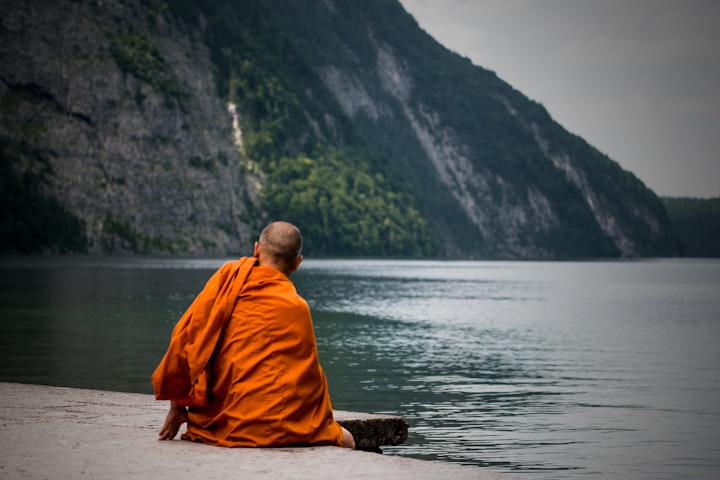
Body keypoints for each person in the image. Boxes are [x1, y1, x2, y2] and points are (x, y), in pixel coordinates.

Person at [151, 221, 355, 449]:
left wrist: (178, 408)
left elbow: (186, 338)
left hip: (223, 423)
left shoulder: (227, 281)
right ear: (297, 263)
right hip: (285, 427)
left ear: (256, 249)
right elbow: (308, 381)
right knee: (347, 440)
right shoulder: (297, 308)